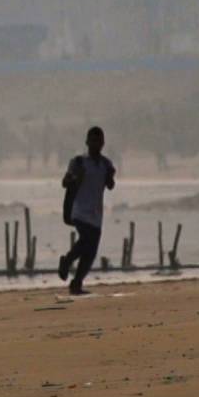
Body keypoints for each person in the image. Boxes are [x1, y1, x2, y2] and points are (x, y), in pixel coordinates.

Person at [58, 126, 116, 295]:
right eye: (93, 140)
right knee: (86, 239)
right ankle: (67, 260)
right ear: (87, 142)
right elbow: (65, 183)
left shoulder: (106, 164)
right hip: (79, 210)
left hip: (96, 214)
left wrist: (110, 176)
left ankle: (76, 284)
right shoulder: (78, 162)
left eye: (99, 141)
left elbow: (110, 185)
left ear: (103, 143)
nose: (96, 144)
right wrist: (74, 178)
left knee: (90, 252)